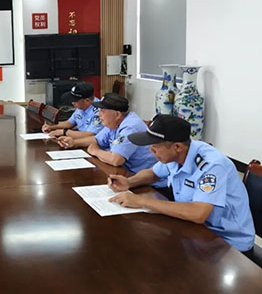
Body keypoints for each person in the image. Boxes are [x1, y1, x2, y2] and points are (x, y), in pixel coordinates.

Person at [108, 114, 255, 255]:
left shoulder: (212, 166)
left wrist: (141, 201)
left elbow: (198, 213)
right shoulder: (177, 154)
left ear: (177, 147)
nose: (150, 150)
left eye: (155, 146)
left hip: (228, 243)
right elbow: (153, 173)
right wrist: (129, 182)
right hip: (195, 230)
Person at [58, 93, 166, 188]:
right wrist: (74, 143)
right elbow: (96, 139)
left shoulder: (130, 127)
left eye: (102, 111)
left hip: (147, 183)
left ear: (117, 114)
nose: (99, 114)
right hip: (125, 175)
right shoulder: (113, 123)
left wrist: (96, 151)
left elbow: (116, 160)